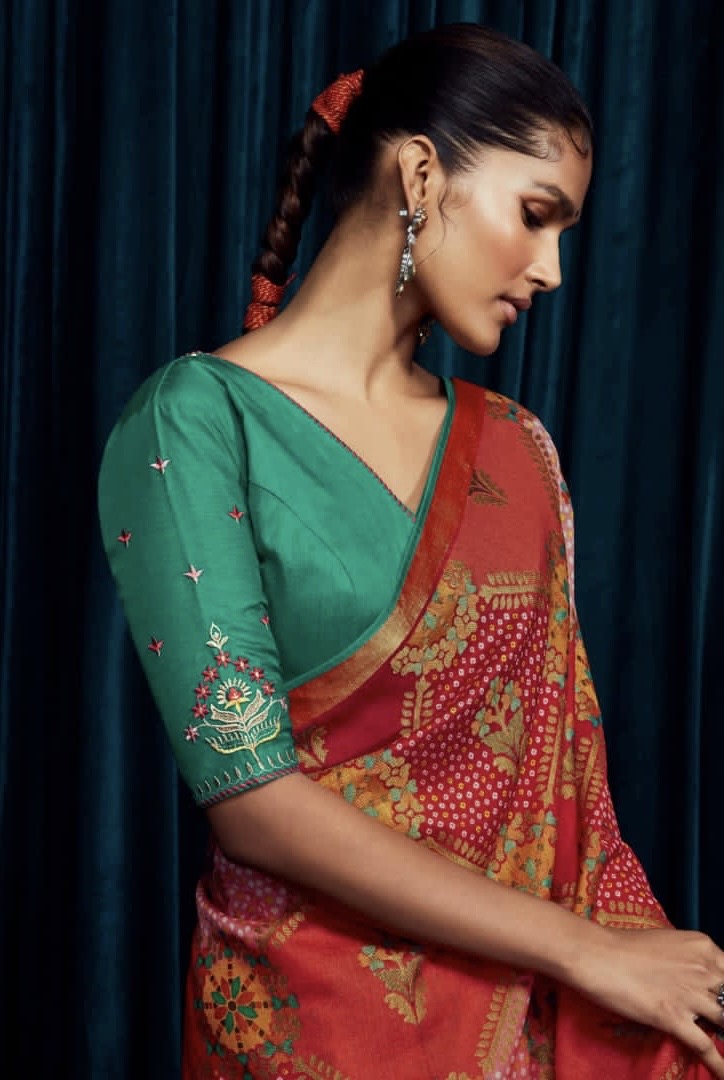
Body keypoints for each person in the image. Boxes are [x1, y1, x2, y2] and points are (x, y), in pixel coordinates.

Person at [97, 22, 724, 1080]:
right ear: (422, 175)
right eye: (535, 216)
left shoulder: (518, 451)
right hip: (305, 1030)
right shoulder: (198, 425)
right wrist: (587, 952)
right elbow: (254, 804)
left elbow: (570, 801)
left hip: (523, 1019)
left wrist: (633, 960)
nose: (553, 269)